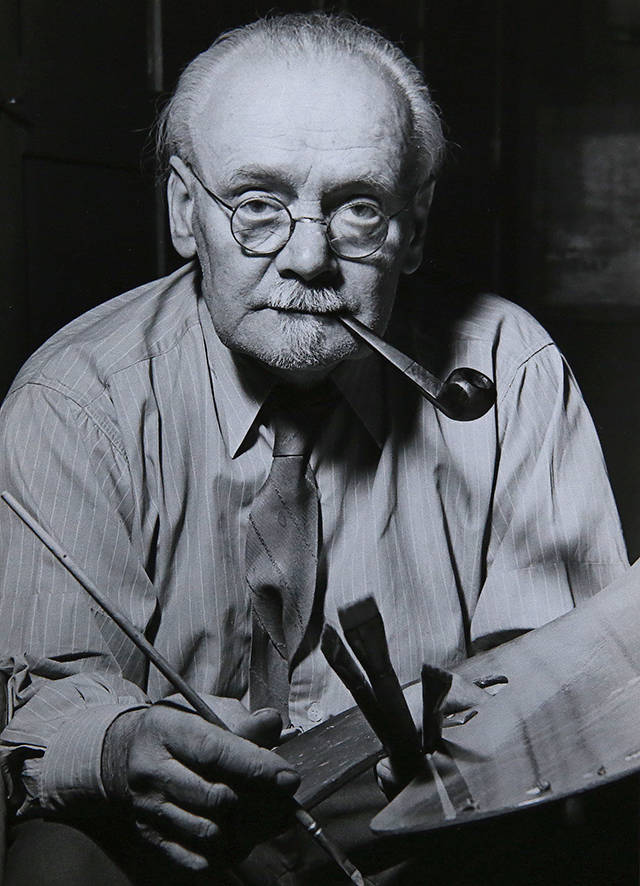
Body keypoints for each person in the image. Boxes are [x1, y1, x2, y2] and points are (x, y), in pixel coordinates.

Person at [0, 12, 628, 885]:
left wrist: (482, 751)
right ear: (186, 210)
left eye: (359, 208)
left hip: (428, 824)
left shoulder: (507, 369)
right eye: (258, 205)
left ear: (415, 225)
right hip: (173, 839)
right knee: (53, 862)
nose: (307, 258)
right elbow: (44, 698)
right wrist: (117, 744)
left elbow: (572, 683)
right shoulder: (77, 400)